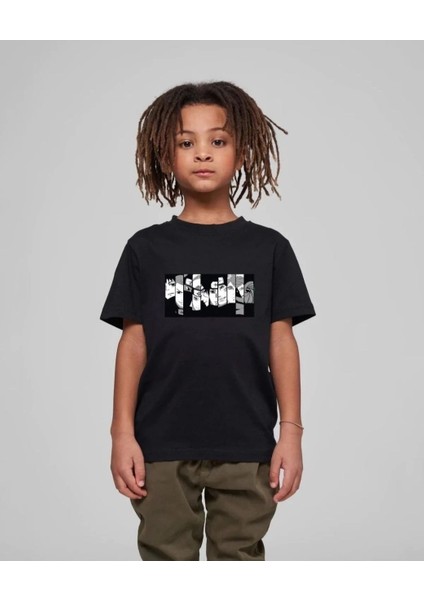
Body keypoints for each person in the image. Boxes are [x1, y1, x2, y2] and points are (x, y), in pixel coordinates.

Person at [99, 80, 317, 561]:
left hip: (247, 443)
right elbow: (133, 344)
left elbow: (282, 342)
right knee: (165, 560)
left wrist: (291, 433)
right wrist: (121, 433)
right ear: (165, 156)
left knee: (238, 561)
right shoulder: (145, 249)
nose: (202, 153)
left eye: (218, 140)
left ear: (242, 153)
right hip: (160, 445)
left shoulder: (269, 249)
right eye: (186, 142)